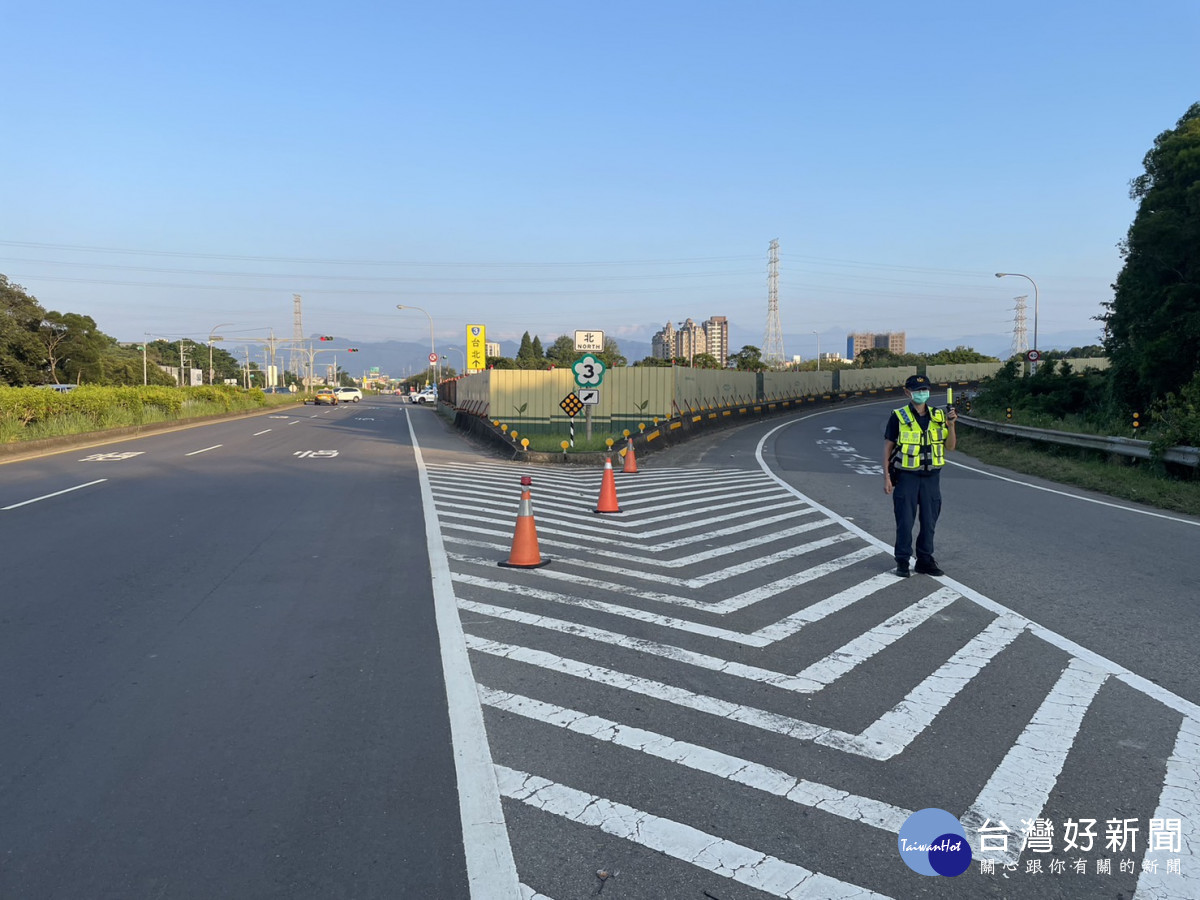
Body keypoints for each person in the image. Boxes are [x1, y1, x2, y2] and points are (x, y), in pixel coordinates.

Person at [883, 374, 957, 577]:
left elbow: (950, 447)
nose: (922, 394)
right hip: (907, 477)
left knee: (929, 522)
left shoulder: (939, 416)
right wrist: (887, 477)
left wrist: (951, 425)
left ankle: (925, 560)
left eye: (925, 390)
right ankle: (903, 561)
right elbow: (888, 448)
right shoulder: (898, 416)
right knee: (905, 522)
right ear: (907, 392)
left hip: (932, 478)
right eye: (917, 390)